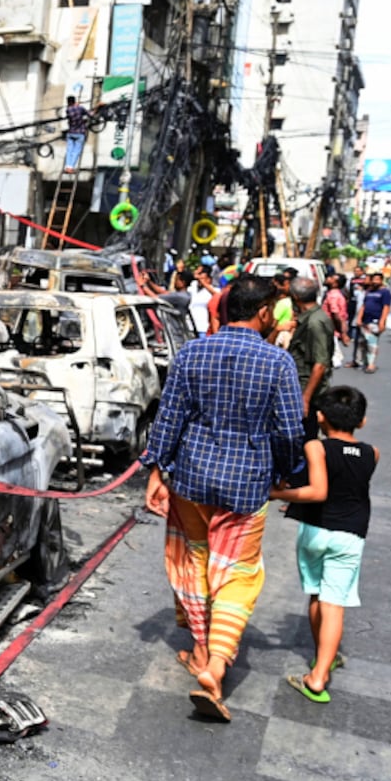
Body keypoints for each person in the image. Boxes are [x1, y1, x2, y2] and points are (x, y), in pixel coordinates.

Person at [142, 274, 305, 722]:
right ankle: (214, 664)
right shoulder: (278, 363)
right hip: (246, 485)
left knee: (195, 561)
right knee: (237, 574)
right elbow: (291, 431)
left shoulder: (192, 352)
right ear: (264, 312)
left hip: (190, 479)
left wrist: (155, 469)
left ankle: (199, 648)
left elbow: (168, 417)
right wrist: (288, 472)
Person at [268, 386, 377, 704]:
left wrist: (277, 494)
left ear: (320, 417)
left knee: (317, 595)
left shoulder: (316, 447)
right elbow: (347, 483)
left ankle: (320, 664)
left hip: (316, 532)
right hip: (350, 535)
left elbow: (317, 492)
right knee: (334, 603)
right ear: (363, 421)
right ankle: (321, 671)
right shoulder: (373, 453)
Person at [286, 278, 333, 435]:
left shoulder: (314, 323)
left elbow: (320, 364)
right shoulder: (312, 317)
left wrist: (305, 399)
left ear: (296, 297)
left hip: (307, 388)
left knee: (305, 435)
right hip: (304, 385)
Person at [353, 271, 391, 373]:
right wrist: (359, 318)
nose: (375, 282)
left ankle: (371, 364)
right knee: (362, 343)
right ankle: (362, 362)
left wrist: (382, 321)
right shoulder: (369, 292)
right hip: (365, 321)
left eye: (377, 280)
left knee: (372, 343)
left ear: (381, 281)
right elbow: (363, 306)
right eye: (373, 279)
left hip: (375, 321)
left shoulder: (385, 292)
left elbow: (386, 308)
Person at [63, 96, 89, 173]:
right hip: (80, 133)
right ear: (74, 101)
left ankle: (67, 166)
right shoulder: (80, 108)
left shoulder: (68, 110)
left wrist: (75, 105)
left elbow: (70, 112)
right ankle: (71, 167)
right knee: (76, 151)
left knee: (69, 150)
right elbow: (89, 114)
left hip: (71, 133)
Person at [189, 265, 215, 335]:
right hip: (190, 326)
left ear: (209, 279)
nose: (200, 281)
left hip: (203, 327)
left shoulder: (213, 290)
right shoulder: (193, 286)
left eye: (203, 279)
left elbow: (216, 294)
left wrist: (203, 283)